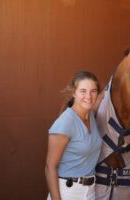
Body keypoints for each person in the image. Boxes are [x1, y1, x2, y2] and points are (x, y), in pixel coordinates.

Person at [45, 71, 103, 200]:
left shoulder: (91, 116)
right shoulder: (65, 123)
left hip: (90, 192)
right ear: (73, 93)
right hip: (67, 192)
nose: (88, 96)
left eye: (93, 91)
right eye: (83, 91)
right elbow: (50, 167)